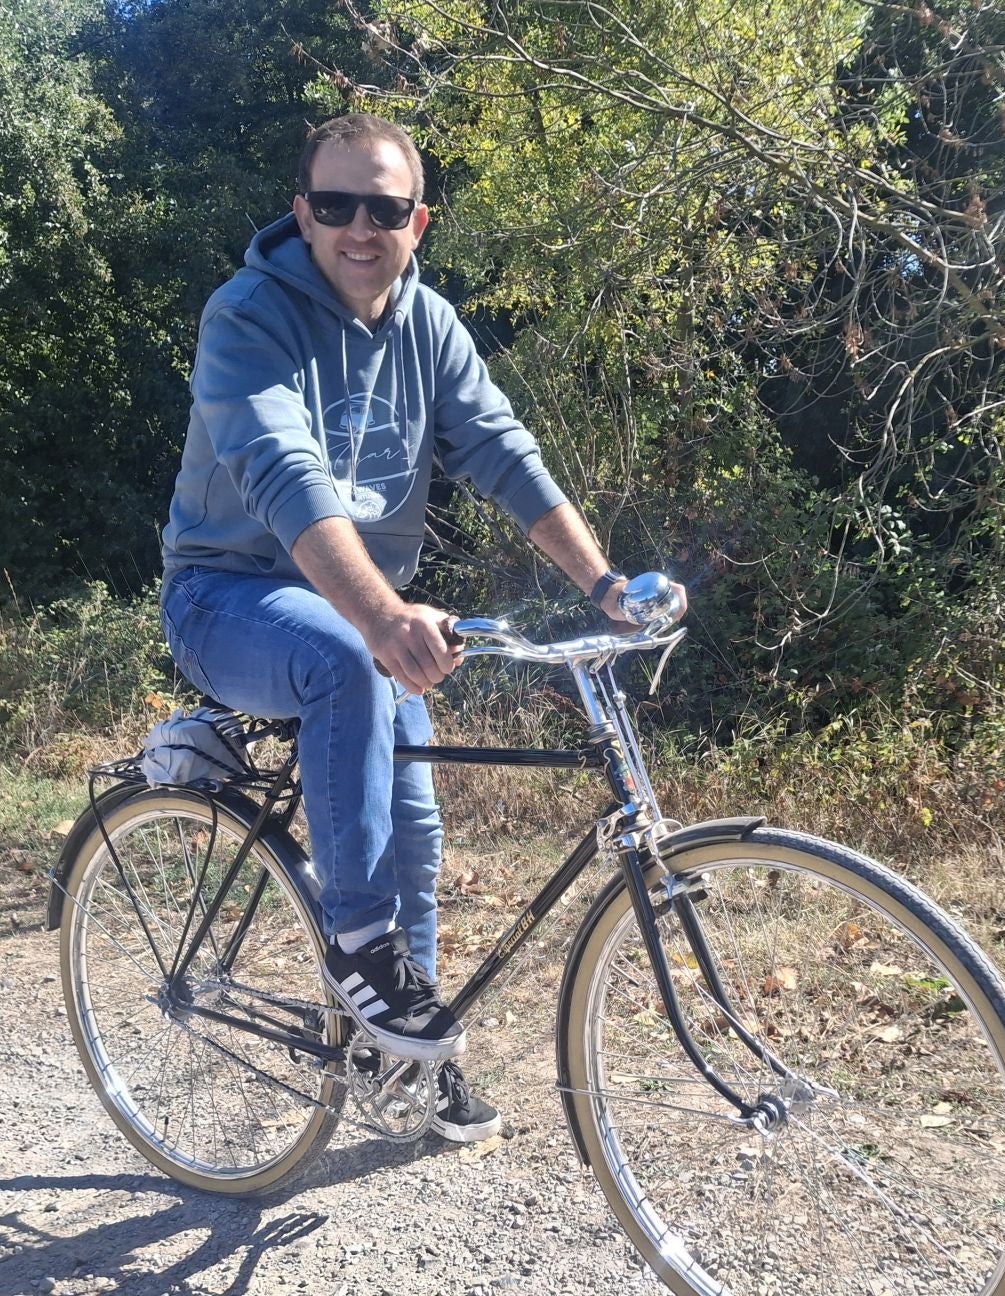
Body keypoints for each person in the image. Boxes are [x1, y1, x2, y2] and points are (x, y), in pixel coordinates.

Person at [158, 113, 683, 1142]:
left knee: (416, 836)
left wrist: (606, 584)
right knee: (347, 659)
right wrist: (383, 614)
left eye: (385, 209)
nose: (361, 228)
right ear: (303, 212)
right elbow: (284, 476)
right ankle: (360, 952)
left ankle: (409, 1060)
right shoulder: (247, 317)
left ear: (418, 221)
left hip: (352, 613)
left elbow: (500, 448)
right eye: (337, 205)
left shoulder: (429, 325)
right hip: (227, 597)